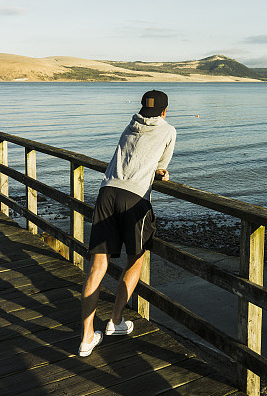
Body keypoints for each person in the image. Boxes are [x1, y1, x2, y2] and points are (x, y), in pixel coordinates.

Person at [78, 90, 176, 357]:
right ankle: (115, 321)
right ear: (165, 111)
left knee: (98, 266)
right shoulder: (168, 130)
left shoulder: (129, 126)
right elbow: (160, 169)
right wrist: (161, 172)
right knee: (135, 259)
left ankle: (87, 337)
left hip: (107, 192)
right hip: (134, 198)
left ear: (142, 107)